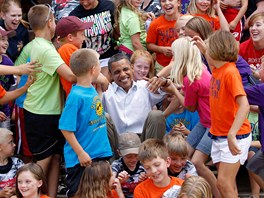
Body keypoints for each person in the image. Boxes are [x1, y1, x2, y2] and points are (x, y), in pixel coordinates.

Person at [147, 37, 220, 198]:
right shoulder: (199, 68)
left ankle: (215, 194)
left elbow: (189, 106)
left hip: (214, 124)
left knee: (197, 162)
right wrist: (173, 87)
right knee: (183, 152)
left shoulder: (191, 79)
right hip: (206, 121)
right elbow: (189, 93)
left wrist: (173, 89)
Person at [17, 4, 77, 197]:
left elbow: (19, 71)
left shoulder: (33, 45)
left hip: (48, 111)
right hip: (42, 113)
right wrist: (98, 75)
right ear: (50, 22)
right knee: (41, 163)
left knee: (55, 159)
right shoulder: (46, 49)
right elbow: (71, 76)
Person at [59, 48, 112, 197]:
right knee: (79, 193)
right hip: (82, 160)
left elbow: (96, 110)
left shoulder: (90, 89)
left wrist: (100, 93)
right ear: (93, 69)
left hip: (98, 154)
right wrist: (81, 153)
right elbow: (65, 128)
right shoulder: (75, 96)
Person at [206, 30, 251, 197]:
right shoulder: (217, 69)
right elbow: (209, 57)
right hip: (219, 134)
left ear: (217, 49)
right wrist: (202, 47)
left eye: (208, 47)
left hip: (234, 135)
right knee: (225, 184)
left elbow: (244, 105)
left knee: (223, 183)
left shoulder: (230, 72)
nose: (206, 50)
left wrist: (232, 134)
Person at [102, 53, 166, 141]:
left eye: (125, 69)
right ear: (110, 74)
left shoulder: (144, 86)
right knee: (104, 117)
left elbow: (168, 90)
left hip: (144, 140)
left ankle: (153, 153)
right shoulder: (106, 91)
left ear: (132, 68)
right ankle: (112, 155)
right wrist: (100, 78)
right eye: (117, 72)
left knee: (156, 115)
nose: (123, 74)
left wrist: (164, 82)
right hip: (119, 142)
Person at [69, 0, 117, 79]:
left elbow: (116, 28)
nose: (85, 3)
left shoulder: (109, 6)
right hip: (87, 61)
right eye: (81, 0)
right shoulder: (74, 16)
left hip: (107, 56)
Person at [55, 15, 93, 97]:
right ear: (70, 37)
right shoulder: (67, 48)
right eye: (82, 34)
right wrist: (103, 80)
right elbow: (87, 70)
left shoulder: (68, 48)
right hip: (81, 96)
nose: (84, 38)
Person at [245, 56, 264, 191]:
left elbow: (239, 92)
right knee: (253, 166)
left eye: (261, 67)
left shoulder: (261, 90)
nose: (258, 69)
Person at [146, 0, 180, 73]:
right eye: (163, 1)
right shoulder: (155, 24)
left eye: (170, 0)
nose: (167, 3)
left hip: (182, 65)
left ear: (178, 3)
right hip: (162, 66)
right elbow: (149, 45)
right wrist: (161, 49)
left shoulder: (186, 21)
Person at [111, 132, 146, 197]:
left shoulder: (143, 163)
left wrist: (146, 178)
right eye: (129, 156)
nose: (133, 159)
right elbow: (109, 184)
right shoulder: (117, 165)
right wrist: (119, 181)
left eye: (136, 155)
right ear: (119, 153)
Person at [239, 12, 264, 80]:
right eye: (251, 25)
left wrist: (260, 76)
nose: (253, 28)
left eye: (258, 25)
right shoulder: (242, 48)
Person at [0, 128, 24, 198]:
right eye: (11, 142)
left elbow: (28, 182)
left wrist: (14, 190)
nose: (14, 145)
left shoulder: (18, 163)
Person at [0, 27, 16, 129]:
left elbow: (11, 87)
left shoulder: (8, 62)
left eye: (7, 40)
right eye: (2, 39)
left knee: (6, 139)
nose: (6, 43)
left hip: (5, 112)